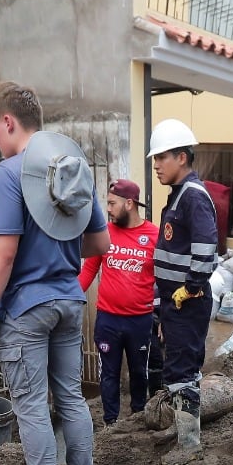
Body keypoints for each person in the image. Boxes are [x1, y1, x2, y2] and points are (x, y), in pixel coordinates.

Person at [0, 81, 109, 465]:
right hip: (69, 301)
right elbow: (99, 241)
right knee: (70, 397)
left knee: (30, 404)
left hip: (27, 311)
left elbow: (3, 252)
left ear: (8, 122)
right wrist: (58, 250)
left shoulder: (10, 174)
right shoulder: (72, 168)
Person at [148, 117, 219, 465]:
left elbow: (207, 249)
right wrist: (162, 305)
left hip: (187, 302)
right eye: (155, 159)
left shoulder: (193, 197)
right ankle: (182, 427)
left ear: (182, 157)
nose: (157, 165)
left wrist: (189, 289)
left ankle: (190, 444)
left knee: (182, 369)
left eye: (162, 157)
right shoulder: (177, 196)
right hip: (174, 301)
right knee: (174, 365)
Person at [79, 178, 159, 429]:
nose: (109, 209)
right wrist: (69, 298)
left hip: (141, 320)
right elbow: (88, 271)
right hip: (108, 319)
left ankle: (138, 418)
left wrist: (166, 315)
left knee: (139, 373)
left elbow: (166, 278)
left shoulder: (154, 235)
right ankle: (110, 423)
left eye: (112, 204)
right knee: (109, 374)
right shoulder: (104, 233)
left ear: (129, 203)